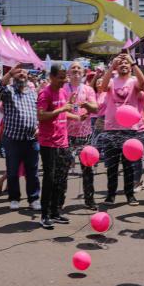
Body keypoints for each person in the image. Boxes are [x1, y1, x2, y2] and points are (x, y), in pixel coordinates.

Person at [98, 53, 144, 206]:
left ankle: (130, 195)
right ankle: (110, 195)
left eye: (126, 63)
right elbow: (102, 87)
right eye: (121, 63)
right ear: (116, 67)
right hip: (111, 128)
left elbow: (143, 83)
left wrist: (133, 63)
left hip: (129, 129)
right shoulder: (112, 81)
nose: (124, 65)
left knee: (129, 165)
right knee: (112, 165)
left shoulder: (133, 81)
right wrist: (111, 68)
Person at [0, 65, 40, 211]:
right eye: (19, 74)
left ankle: (33, 199)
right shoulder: (9, 92)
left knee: (32, 172)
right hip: (13, 140)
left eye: (24, 74)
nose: (22, 75)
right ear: (13, 77)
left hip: (31, 139)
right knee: (12, 171)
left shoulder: (32, 93)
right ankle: (14, 198)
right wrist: (10, 73)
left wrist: (38, 127)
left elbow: (37, 113)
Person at [36, 64, 73, 229]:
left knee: (61, 178)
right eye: (60, 77)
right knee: (49, 179)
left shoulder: (64, 91)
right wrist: (62, 109)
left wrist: (77, 117)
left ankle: (56, 212)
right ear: (51, 77)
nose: (64, 81)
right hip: (48, 142)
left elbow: (64, 112)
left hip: (63, 140)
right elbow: (41, 116)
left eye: (65, 77)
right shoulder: (45, 93)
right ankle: (44, 215)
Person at [63, 62, 98, 208]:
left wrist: (85, 104)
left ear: (83, 73)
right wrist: (71, 110)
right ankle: (59, 201)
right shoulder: (63, 88)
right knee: (63, 169)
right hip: (67, 134)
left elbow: (95, 108)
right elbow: (60, 110)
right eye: (73, 68)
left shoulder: (88, 89)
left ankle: (89, 200)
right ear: (68, 74)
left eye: (79, 68)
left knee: (88, 168)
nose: (76, 70)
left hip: (85, 134)